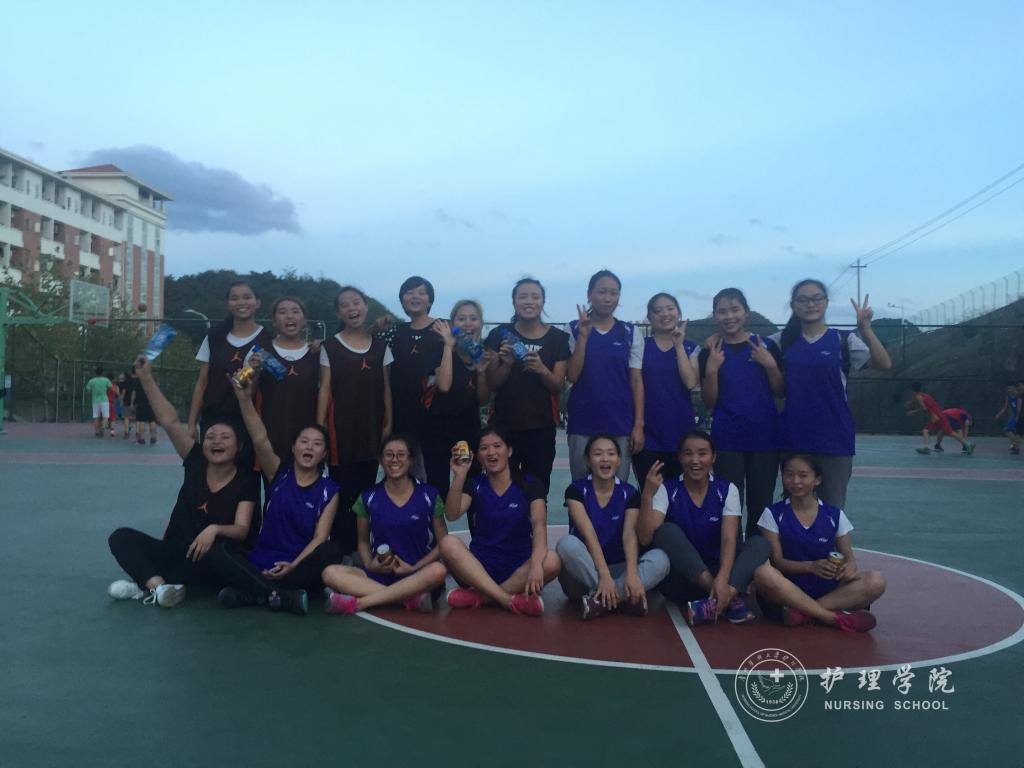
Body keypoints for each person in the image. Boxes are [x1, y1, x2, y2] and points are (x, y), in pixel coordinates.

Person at [107, 356, 257, 608]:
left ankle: (145, 584)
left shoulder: (245, 480)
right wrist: (146, 378)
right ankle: (159, 588)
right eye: (210, 436)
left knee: (219, 559)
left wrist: (214, 529)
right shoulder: (196, 461)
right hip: (176, 555)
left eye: (224, 437)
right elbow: (169, 421)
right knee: (121, 537)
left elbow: (241, 529)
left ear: (239, 446)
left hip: (212, 563)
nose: (216, 441)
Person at [201, 374, 345, 616]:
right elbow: (259, 437)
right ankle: (278, 596)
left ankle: (252, 592)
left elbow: (319, 539)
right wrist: (244, 399)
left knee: (332, 551)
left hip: (297, 566)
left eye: (317, 444)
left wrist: (292, 566)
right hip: (261, 560)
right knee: (218, 550)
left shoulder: (329, 490)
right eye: (304, 441)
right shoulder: (278, 474)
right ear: (294, 447)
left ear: (324, 454)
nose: (309, 447)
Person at [771, 281, 892, 508]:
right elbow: (744, 343)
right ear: (793, 305)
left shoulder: (843, 340)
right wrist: (715, 339)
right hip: (794, 437)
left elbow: (883, 363)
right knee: (794, 509)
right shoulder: (781, 341)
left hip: (834, 438)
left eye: (817, 298)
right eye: (803, 299)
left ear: (826, 302)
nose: (810, 304)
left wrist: (866, 329)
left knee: (832, 508)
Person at [638, 430, 771, 626]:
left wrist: (723, 578)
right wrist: (647, 496)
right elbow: (645, 538)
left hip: (721, 574)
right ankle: (727, 599)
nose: (695, 460)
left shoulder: (727, 489)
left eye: (702, 453)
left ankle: (718, 599)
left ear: (713, 457)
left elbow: (729, 539)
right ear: (680, 457)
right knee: (666, 531)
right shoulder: (667, 489)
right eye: (688, 453)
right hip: (683, 580)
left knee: (760, 543)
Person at [753, 454, 885, 632]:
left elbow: (849, 559)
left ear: (817, 480)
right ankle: (832, 618)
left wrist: (848, 568)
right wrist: (811, 567)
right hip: (788, 588)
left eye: (803, 475)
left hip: (827, 588)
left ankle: (803, 612)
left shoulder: (834, 515)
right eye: (789, 475)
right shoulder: (773, 513)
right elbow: (777, 562)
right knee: (764, 573)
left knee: (876, 581)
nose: (795, 481)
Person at [439, 427, 562, 616]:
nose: (491, 452)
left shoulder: (529, 483)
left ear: (509, 451)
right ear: (478, 456)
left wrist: (537, 564)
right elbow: (451, 514)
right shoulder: (475, 483)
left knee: (552, 561)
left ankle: (481, 597)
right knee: (447, 543)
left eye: (497, 446)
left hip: (518, 567)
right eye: (484, 448)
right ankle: (506, 599)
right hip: (479, 568)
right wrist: (459, 475)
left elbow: (539, 524)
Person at [321, 435, 450, 615]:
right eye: (389, 455)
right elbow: (363, 541)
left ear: (411, 460)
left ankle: (360, 603)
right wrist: (370, 564)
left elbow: (443, 544)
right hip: (380, 574)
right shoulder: (367, 497)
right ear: (381, 460)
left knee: (438, 570)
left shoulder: (430, 495)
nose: (394, 459)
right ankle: (407, 599)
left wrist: (414, 567)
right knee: (330, 573)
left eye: (401, 455)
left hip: (418, 575)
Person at [699, 288, 785, 538]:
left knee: (761, 504)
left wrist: (770, 365)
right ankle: (731, 553)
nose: (729, 316)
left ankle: (756, 556)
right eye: (722, 311)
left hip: (765, 438)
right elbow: (709, 401)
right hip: (727, 439)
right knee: (729, 505)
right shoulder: (710, 351)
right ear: (715, 316)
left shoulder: (766, 346)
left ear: (746, 312)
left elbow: (780, 390)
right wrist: (712, 370)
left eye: (735, 309)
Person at [556, 435, 670, 619]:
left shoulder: (629, 493)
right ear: (587, 460)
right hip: (584, 572)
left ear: (619, 460)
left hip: (619, 569)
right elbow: (588, 533)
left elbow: (629, 535)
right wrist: (603, 576)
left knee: (661, 559)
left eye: (611, 453)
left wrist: (631, 573)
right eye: (598, 454)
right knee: (566, 544)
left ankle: (601, 602)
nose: (605, 459)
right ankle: (621, 597)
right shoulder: (576, 490)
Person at [318, 286, 393, 554]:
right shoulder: (329, 346)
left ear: (365, 306)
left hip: (371, 431)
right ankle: (341, 551)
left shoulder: (381, 347)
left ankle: (363, 550)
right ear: (339, 312)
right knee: (341, 493)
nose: (352, 308)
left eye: (356, 302)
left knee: (366, 492)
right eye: (345, 305)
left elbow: (386, 388)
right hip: (340, 433)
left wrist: (388, 424)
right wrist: (320, 429)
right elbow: (325, 389)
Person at [484, 278, 570, 495]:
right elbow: (492, 383)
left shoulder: (558, 338)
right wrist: (506, 364)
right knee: (501, 490)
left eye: (535, 297)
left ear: (543, 301)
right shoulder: (499, 334)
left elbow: (558, 386)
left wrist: (542, 369)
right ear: (514, 301)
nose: (529, 301)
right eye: (522, 297)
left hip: (541, 429)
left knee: (538, 492)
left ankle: (536, 519)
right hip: (503, 428)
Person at [566, 270, 644, 482]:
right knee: (581, 488)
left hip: (620, 421)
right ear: (589, 294)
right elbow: (572, 375)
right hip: (582, 420)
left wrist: (638, 425)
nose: (607, 298)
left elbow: (636, 381)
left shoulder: (630, 332)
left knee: (618, 487)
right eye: (601, 292)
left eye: (613, 293)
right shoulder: (572, 329)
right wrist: (583, 338)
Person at [187, 280, 272, 439]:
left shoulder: (268, 340)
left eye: (247, 297)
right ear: (228, 304)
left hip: (249, 421)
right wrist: (192, 423)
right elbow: (202, 382)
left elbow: (274, 380)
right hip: (213, 418)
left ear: (258, 303)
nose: (241, 302)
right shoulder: (214, 337)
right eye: (234, 298)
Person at [424, 300, 492, 497]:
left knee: (471, 486)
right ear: (453, 323)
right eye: (461, 319)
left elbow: (483, 400)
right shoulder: (439, 348)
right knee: (438, 487)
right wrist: (448, 346)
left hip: (469, 428)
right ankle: (440, 519)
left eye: (473, 318)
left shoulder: (482, 353)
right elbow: (444, 385)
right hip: (438, 428)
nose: (468, 323)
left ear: (481, 323)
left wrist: (481, 372)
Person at [632, 293, 700, 484]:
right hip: (648, 435)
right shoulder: (640, 346)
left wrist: (678, 346)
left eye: (670, 308)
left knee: (681, 494)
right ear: (649, 317)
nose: (665, 314)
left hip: (682, 433)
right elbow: (635, 383)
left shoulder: (690, 348)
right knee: (650, 494)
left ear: (678, 312)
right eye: (658, 311)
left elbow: (690, 382)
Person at [387, 276, 446, 486]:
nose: (415, 297)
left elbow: (471, 351)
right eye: (410, 292)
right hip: (401, 417)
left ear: (430, 300)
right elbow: (362, 343)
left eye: (422, 292)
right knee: (404, 476)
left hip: (435, 418)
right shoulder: (395, 332)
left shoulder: (443, 328)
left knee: (436, 478)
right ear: (402, 300)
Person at [249, 297, 320, 463]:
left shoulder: (316, 353)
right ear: (274, 321)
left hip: (307, 437)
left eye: (295, 311)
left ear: (304, 320)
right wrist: (254, 371)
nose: (289, 316)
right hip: (270, 434)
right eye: (282, 312)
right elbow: (248, 395)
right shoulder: (261, 352)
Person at [906, 383, 975, 455]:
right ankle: (927, 448)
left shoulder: (918, 396)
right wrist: (914, 404)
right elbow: (929, 405)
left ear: (912, 390)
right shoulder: (925, 395)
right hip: (938, 416)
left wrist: (913, 411)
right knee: (929, 431)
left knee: (947, 432)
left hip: (937, 417)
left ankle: (968, 444)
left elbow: (924, 408)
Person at [131, 366, 159, 446]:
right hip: (151, 402)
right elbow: (156, 391)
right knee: (152, 420)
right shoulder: (152, 379)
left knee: (141, 421)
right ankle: (153, 438)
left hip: (141, 402)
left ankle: (141, 439)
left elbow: (134, 393)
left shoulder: (137, 380)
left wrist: (132, 403)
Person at [84, 366, 112, 438]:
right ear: (102, 372)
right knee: (106, 417)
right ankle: (102, 429)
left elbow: (88, 390)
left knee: (96, 417)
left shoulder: (91, 381)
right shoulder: (106, 380)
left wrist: (93, 393)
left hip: (95, 400)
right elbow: (110, 387)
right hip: (104, 400)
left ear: (95, 373)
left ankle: (97, 431)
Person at [994, 383, 1020, 455]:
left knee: (1011, 431)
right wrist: (998, 415)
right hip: (1014, 417)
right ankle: (1015, 446)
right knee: (1007, 430)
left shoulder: (1019, 396)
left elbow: (1020, 408)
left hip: (1019, 416)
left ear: (1014, 388)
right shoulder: (1008, 397)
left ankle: (1015, 447)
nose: (1009, 390)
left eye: (1010, 388)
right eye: (1008, 388)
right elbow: (1005, 407)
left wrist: (1018, 416)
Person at [116, 372, 133, 439]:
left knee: (126, 418)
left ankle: (126, 432)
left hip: (125, 401)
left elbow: (119, 392)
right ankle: (134, 430)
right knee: (131, 417)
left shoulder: (121, 384)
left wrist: (121, 399)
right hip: (132, 401)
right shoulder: (131, 383)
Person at [105, 372, 119, 437]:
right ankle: (112, 432)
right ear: (113, 379)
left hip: (104, 402)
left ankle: (101, 430)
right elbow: (117, 393)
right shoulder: (114, 386)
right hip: (112, 403)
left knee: (103, 417)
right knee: (112, 418)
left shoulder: (105, 385)